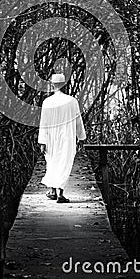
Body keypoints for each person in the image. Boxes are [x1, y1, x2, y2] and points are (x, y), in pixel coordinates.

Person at [38, 73, 86, 203]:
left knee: (52, 163)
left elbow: (44, 123)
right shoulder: (72, 101)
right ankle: (59, 193)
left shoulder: (47, 102)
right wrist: (81, 137)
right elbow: (78, 121)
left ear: (52, 84)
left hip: (51, 138)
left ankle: (53, 191)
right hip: (67, 137)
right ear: (64, 84)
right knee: (64, 163)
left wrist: (42, 141)